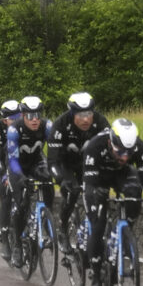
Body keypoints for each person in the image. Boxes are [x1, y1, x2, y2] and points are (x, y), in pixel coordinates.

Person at [82, 118, 143, 286]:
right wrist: (96, 193)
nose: (125, 157)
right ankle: (95, 280)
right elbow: (89, 186)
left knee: (135, 193)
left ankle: (125, 234)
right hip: (97, 179)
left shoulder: (140, 147)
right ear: (111, 142)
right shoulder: (95, 146)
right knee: (98, 224)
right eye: (120, 151)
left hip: (122, 175)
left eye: (129, 152)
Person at [47, 92, 111, 249]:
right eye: (81, 115)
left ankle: (99, 230)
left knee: (99, 191)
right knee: (71, 191)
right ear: (72, 113)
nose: (86, 119)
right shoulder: (60, 125)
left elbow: (110, 154)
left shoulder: (101, 122)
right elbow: (52, 162)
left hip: (88, 164)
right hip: (65, 164)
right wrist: (61, 180)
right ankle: (62, 229)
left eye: (89, 114)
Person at [5, 96, 54, 267]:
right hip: (17, 165)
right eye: (30, 116)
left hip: (37, 162)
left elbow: (56, 151)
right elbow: (12, 160)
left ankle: (47, 224)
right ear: (23, 116)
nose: (35, 120)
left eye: (37, 115)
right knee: (21, 205)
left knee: (49, 179)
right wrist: (21, 178)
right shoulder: (14, 130)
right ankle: (17, 245)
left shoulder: (47, 126)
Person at [0, 100, 20, 260]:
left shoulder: (24, 126)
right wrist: (4, 174)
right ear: (5, 121)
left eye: (19, 117)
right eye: (12, 119)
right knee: (6, 197)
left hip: (20, 163)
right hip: (3, 164)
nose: (16, 122)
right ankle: (5, 240)